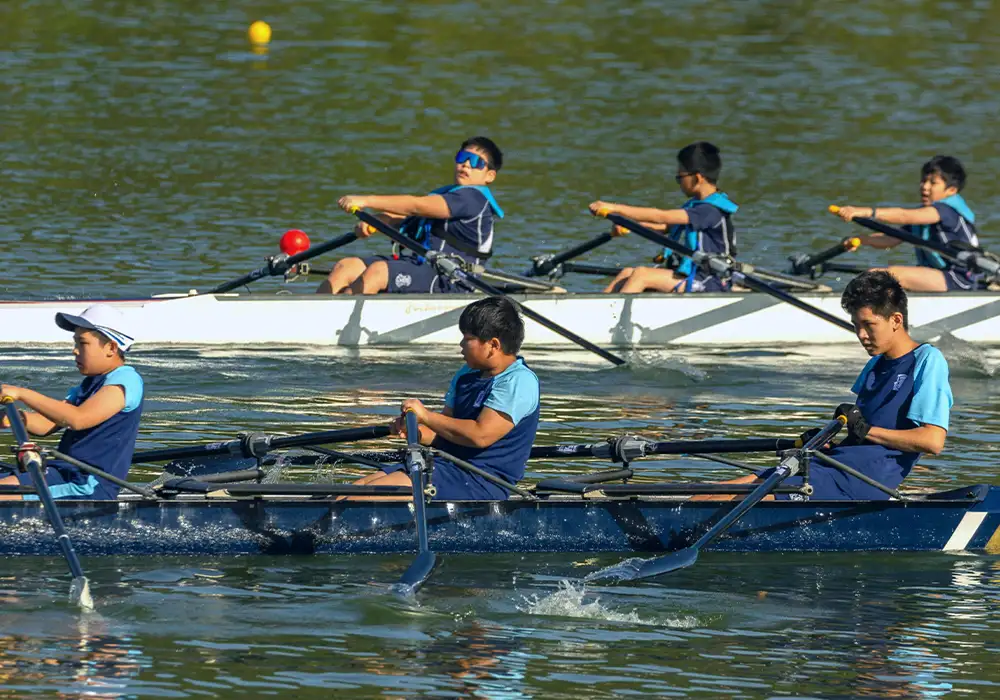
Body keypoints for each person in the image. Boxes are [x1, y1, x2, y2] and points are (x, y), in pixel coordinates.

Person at [702, 271, 951, 501]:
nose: (861, 335)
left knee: (729, 499)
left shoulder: (928, 360)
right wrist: (825, 442)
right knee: (709, 494)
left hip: (860, 483)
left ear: (896, 320)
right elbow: (862, 438)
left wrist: (865, 429)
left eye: (868, 325)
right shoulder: (875, 364)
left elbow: (932, 441)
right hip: (832, 466)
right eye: (856, 325)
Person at [353, 297, 539, 500]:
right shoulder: (466, 375)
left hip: (484, 480)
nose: (460, 345)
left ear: (493, 345)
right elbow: (445, 435)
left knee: (360, 497)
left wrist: (426, 416)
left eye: (467, 339)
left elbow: (480, 435)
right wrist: (416, 431)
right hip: (447, 466)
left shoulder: (519, 381)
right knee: (355, 488)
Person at [317, 136, 504, 295]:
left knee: (378, 272)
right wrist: (380, 221)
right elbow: (411, 220)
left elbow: (416, 206)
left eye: (476, 162)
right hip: (423, 266)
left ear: (490, 176)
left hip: (454, 280)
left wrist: (366, 201)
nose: (466, 165)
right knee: (346, 266)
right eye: (463, 157)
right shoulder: (449, 195)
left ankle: (335, 320)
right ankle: (317, 314)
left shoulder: (473, 198)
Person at [0, 305, 144, 501]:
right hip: (63, 472)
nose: (74, 351)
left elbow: (77, 419)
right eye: (75, 342)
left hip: (88, 484)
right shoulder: (88, 385)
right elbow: (46, 425)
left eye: (82, 343)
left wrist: (23, 393)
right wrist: (16, 418)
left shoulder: (126, 381)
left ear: (111, 347)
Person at [589, 141, 739, 293]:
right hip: (696, 274)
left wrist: (614, 208)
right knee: (627, 273)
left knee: (642, 275)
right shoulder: (696, 205)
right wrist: (630, 225)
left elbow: (660, 216)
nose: (679, 183)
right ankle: (592, 309)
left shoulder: (709, 210)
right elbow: (666, 227)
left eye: (680, 177)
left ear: (697, 178)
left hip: (712, 281)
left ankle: (609, 314)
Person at [834, 155, 980, 291]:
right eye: (924, 180)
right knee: (878, 277)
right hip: (939, 274)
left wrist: (864, 211)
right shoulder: (922, 216)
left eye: (933, 183)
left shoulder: (946, 211)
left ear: (951, 190)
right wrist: (861, 239)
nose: (925, 186)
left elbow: (903, 215)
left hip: (959, 278)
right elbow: (890, 239)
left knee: (888, 275)